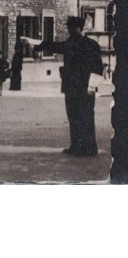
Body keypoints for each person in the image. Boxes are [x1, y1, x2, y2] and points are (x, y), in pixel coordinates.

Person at [35, 16, 104, 157]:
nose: (69, 31)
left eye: (71, 28)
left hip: (85, 88)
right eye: (69, 28)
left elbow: (98, 68)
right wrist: (38, 45)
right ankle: (76, 147)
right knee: (73, 117)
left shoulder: (91, 45)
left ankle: (89, 148)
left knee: (86, 117)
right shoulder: (71, 43)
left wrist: (92, 86)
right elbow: (55, 46)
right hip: (71, 87)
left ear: (79, 28)